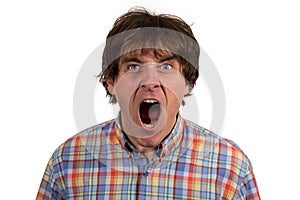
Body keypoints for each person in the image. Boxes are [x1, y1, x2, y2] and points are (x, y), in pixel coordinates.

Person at [37, 7, 260, 199]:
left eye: (166, 67)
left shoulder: (231, 166)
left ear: (187, 84)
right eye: (133, 66)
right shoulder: (67, 161)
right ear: (111, 82)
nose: (150, 82)